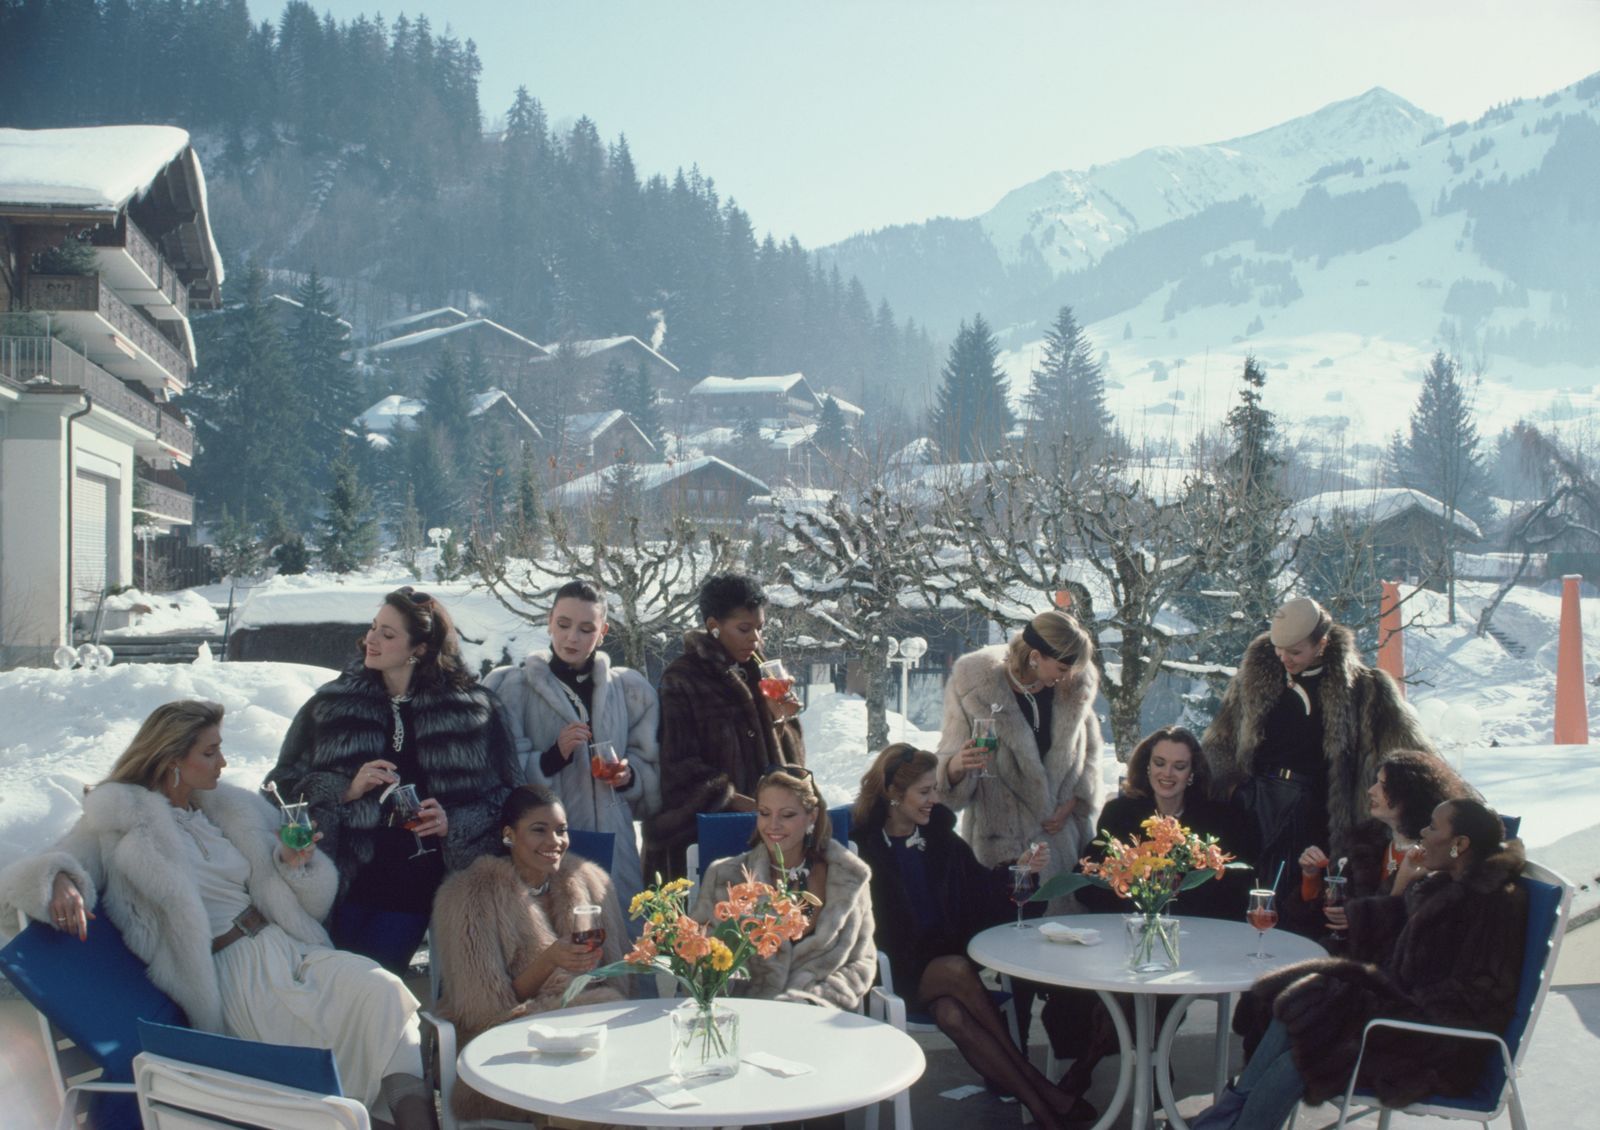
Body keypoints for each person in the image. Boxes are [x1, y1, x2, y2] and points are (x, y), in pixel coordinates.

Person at [0, 701, 434, 1129]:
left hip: (291, 950)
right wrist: (56, 879)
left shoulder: (231, 809)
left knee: (384, 993)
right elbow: (22, 883)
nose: (223, 762)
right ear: (171, 759)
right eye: (210, 752)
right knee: (319, 1075)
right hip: (237, 975)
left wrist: (292, 861)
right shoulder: (118, 823)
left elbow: (310, 899)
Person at [1190, 799, 1528, 1130]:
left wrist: (1374, 1006)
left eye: (1433, 826)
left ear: (1460, 844)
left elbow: (1474, 996)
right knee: (1294, 1003)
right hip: (1403, 1018)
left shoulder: (1493, 903)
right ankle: (1224, 1121)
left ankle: (1227, 1123)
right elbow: (1400, 933)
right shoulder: (1446, 885)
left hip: (1438, 1046)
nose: (1423, 833)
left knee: (1308, 1055)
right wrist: (1373, 909)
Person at [267, 586, 522, 972]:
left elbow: (510, 799)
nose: (371, 639)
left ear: (419, 648)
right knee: (333, 985)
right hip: (344, 880)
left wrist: (454, 821)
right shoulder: (330, 705)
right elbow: (279, 788)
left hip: (420, 885)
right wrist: (344, 789)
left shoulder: (474, 710)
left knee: (374, 985)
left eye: (388, 634)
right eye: (373, 628)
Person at [855, 744, 1087, 1129]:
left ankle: (1044, 1108)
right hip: (892, 971)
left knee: (952, 1012)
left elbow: (981, 889)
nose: (934, 800)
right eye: (924, 792)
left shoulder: (941, 839)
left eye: (935, 790)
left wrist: (1020, 871)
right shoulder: (861, 848)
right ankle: (1042, 1089)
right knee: (957, 969)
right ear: (894, 793)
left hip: (942, 971)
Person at [1050, 726, 1258, 1105]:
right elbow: (1092, 879)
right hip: (1127, 937)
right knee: (1114, 991)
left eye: (1179, 766)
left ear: (1192, 773)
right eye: (1159, 763)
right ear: (1146, 767)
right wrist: (1133, 883)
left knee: (1145, 990)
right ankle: (1156, 1068)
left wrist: (1183, 887)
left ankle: (1087, 1068)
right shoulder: (1120, 812)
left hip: (1195, 942)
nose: (1168, 774)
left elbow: (1233, 890)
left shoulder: (1218, 819)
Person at [937, 607, 1103, 1049]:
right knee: (1012, 971)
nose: (1067, 676)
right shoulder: (974, 684)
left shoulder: (1075, 688)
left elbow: (1090, 757)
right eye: (1062, 666)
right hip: (1001, 848)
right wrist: (957, 767)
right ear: (1035, 656)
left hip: (1062, 845)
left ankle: (1068, 1069)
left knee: (1068, 964)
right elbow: (950, 774)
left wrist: (1074, 801)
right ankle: (1009, 1064)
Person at [1203, 596, 1431, 904]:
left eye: (1295, 651)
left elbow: (1413, 753)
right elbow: (1219, 743)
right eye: (1278, 649)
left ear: (1322, 643)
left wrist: (1462, 809)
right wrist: (1231, 788)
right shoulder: (1253, 681)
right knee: (1243, 892)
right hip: (1254, 803)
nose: (1285, 658)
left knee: (1296, 897)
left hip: (1316, 811)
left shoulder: (1365, 689)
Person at [430, 784, 629, 1124]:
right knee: (584, 1093)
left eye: (561, 830)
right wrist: (550, 960)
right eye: (539, 830)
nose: (555, 842)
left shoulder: (591, 883)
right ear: (509, 835)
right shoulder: (469, 897)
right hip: (501, 1051)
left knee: (634, 1082)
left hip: (588, 1035)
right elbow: (486, 1012)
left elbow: (623, 982)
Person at [483, 580, 661, 926]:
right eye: (563, 625)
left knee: (623, 945)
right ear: (549, 621)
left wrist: (630, 776)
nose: (572, 638)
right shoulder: (514, 689)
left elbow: (651, 766)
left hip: (614, 843)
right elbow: (498, 776)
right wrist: (552, 757)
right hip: (544, 847)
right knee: (557, 949)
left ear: (603, 631)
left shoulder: (628, 690)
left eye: (586, 629)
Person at [644, 573, 805, 880]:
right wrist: (734, 799)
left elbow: (790, 763)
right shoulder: (682, 678)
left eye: (760, 628)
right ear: (713, 626)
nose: (755, 639)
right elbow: (677, 765)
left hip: (769, 835)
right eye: (744, 629)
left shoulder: (762, 671)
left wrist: (781, 718)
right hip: (705, 837)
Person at [690, 766, 875, 1010]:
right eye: (765, 813)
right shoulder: (725, 877)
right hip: (748, 1017)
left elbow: (862, 962)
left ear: (812, 816)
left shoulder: (849, 878)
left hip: (816, 1016)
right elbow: (695, 954)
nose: (773, 825)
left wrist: (813, 1001)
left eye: (787, 815)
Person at [1287, 748, 1477, 944]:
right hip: (1342, 953)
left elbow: (1421, 937)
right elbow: (1320, 918)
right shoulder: (1365, 842)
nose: (1371, 791)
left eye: (1383, 785)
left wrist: (1361, 919)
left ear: (1410, 796)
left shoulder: (1435, 857)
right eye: (1376, 782)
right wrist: (1311, 877)